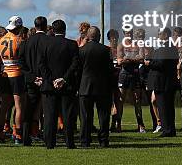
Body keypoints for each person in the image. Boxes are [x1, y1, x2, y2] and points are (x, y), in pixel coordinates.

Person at [39, 19, 79, 149]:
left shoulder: (45, 44)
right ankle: (69, 143)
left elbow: (42, 64)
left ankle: (50, 143)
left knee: (50, 116)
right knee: (67, 116)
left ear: (53, 30)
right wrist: (64, 79)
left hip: (49, 86)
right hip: (66, 86)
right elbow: (75, 64)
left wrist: (51, 80)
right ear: (65, 30)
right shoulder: (72, 44)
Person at [78, 26, 113, 148]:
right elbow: (111, 71)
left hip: (85, 86)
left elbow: (78, 70)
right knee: (103, 116)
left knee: (85, 117)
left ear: (87, 36)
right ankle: (103, 140)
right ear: (99, 36)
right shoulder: (106, 50)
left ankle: (85, 141)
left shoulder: (81, 50)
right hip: (103, 87)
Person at [19, 16, 49, 146]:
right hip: (46, 80)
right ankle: (48, 137)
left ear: (35, 26)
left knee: (29, 110)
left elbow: (21, 62)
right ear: (45, 26)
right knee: (48, 111)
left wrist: (32, 77)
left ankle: (26, 138)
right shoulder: (49, 41)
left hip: (31, 81)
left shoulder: (26, 43)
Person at [0, 16, 26, 145]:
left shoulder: (0, 40)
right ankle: (17, 134)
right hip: (16, 74)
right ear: (19, 27)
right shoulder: (19, 40)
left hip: (4, 75)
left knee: (3, 106)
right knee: (18, 106)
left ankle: (0, 133)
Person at [145, 27, 178, 137]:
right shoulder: (170, 47)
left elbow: (161, 64)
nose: (158, 36)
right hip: (168, 81)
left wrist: (149, 63)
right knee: (168, 107)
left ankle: (167, 130)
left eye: (159, 34)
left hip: (163, 82)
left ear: (166, 35)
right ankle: (170, 129)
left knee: (164, 107)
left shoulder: (166, 48)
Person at [117, 27, 146, 133]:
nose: (129, 35)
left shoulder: (138, 44)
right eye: (127, 33)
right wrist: (134, 59)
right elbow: (120, 61)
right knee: (121, 100)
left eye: (130, 33)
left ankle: (141, 125)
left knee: (137, 100)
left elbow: (142, 58)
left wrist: (128, 59)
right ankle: (118, 124)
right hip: (124, 74)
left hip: (135, 74)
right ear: (124, 33)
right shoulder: (121, 45)